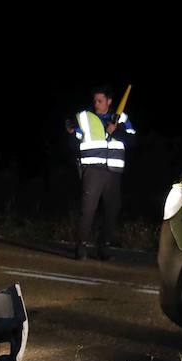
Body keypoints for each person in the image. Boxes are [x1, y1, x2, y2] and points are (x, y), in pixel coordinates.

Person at [67, 85, 135, 260]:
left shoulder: (122, 118)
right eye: (95, 100)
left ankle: (103, 248)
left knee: (112, 210)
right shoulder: (84, 117)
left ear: (109, 101)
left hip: (113, 172)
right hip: (92, 169)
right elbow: (73, 143)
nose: (96, 104)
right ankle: (80, 247)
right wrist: (71, 132)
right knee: (87, 209)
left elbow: (132, 141)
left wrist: (117, 131)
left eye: (100, 100)